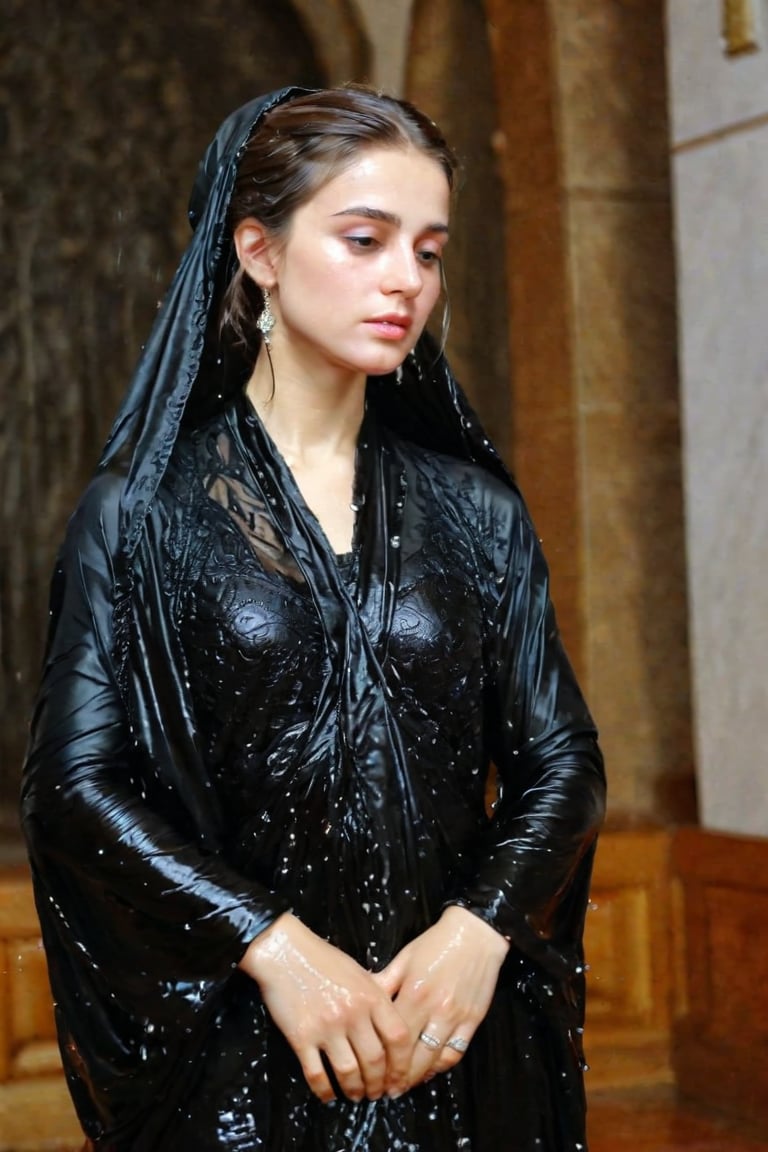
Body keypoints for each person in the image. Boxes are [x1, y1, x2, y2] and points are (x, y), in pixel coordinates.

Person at [20, 85, 606, 1152]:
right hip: (247, 1050)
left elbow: (561, 759)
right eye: (365, 238)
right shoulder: (140, 512)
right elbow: (74, 785)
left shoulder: (477, 509)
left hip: (456, 1040)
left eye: (427, 252)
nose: (405, 280)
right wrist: (272, 945)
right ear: (259, 252)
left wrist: (479, 932)